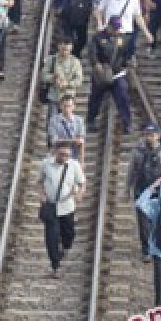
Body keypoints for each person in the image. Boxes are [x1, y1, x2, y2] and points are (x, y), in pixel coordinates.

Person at [127, 123, 161, 261]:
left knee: (160, 219)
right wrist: (128, 188)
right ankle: (147, 250)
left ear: (158, 136)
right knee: (143, 222)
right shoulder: (137, 151)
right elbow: (131, 170)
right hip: (141, 190)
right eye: (147, 135)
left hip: (160, 191)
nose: (149, 137)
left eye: (152, 135)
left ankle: (160, 245)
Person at [37, 139, 86, 276]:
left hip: (67, 205)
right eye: (62, 154)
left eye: (67, 155)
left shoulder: (74, 165)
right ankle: (55, 265)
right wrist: (41, 195)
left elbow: (82, 183)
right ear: (56, 153)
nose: (64, 157)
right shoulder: (46, 164)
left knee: (68, 233)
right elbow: (40, 181)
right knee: (51, 237)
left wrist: (80, 194)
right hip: (51, 205)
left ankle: (65, 246)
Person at [85, 17, 133, 133]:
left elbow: (127, 54)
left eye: (118, 28)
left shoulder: (123, 38)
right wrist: (96, 64)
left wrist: (128, 63)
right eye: (115, 28)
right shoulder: (98, 37)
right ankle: (91, 121)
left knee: (123, 96)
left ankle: (127, 123)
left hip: (117, 73)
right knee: (96, 98)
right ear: (109, 26)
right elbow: (92, 52)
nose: (117, 30)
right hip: (102, 73)